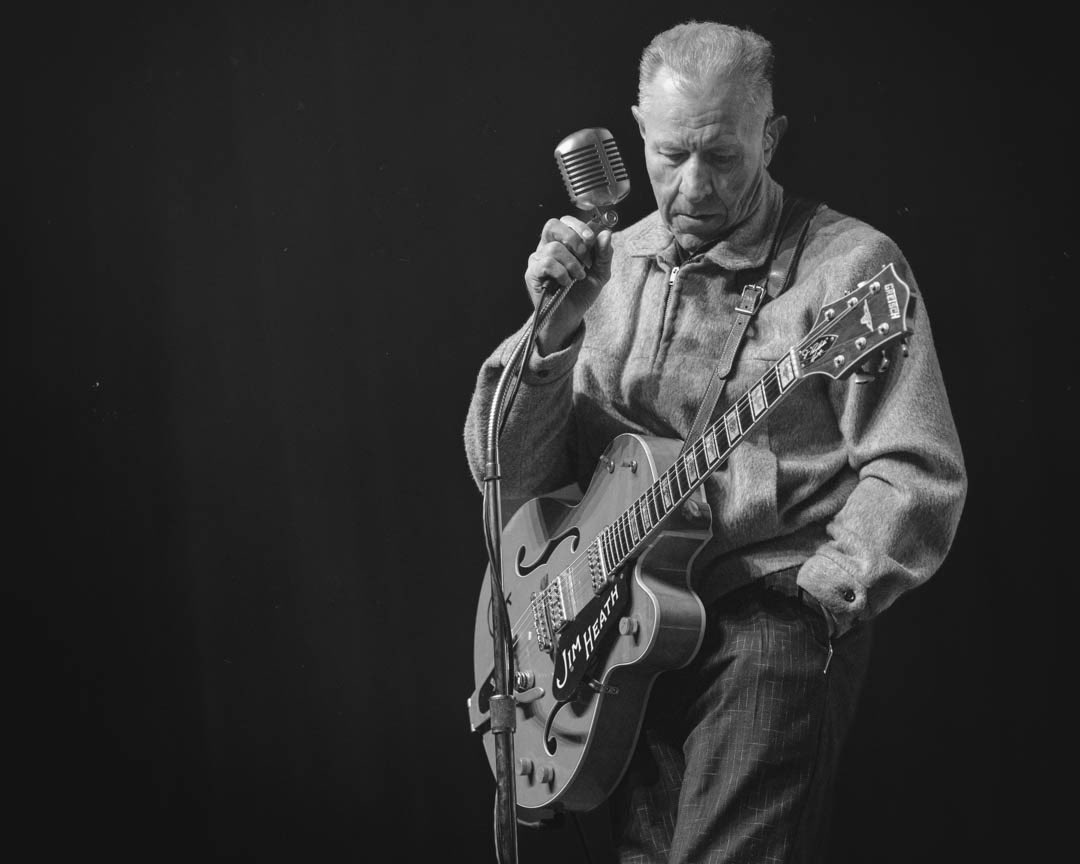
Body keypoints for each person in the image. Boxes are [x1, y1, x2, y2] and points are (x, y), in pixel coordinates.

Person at [464, 20, 967, 864]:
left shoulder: (852, 271)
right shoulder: (605, 267)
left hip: (765, 615)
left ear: (768, 137)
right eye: (669, 154)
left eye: (723, 156)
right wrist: (551, 337)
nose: (693, 185)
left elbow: (918, 467)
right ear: (637, 131)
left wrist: (822, 597)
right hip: (620, 628)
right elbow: (506, 471)